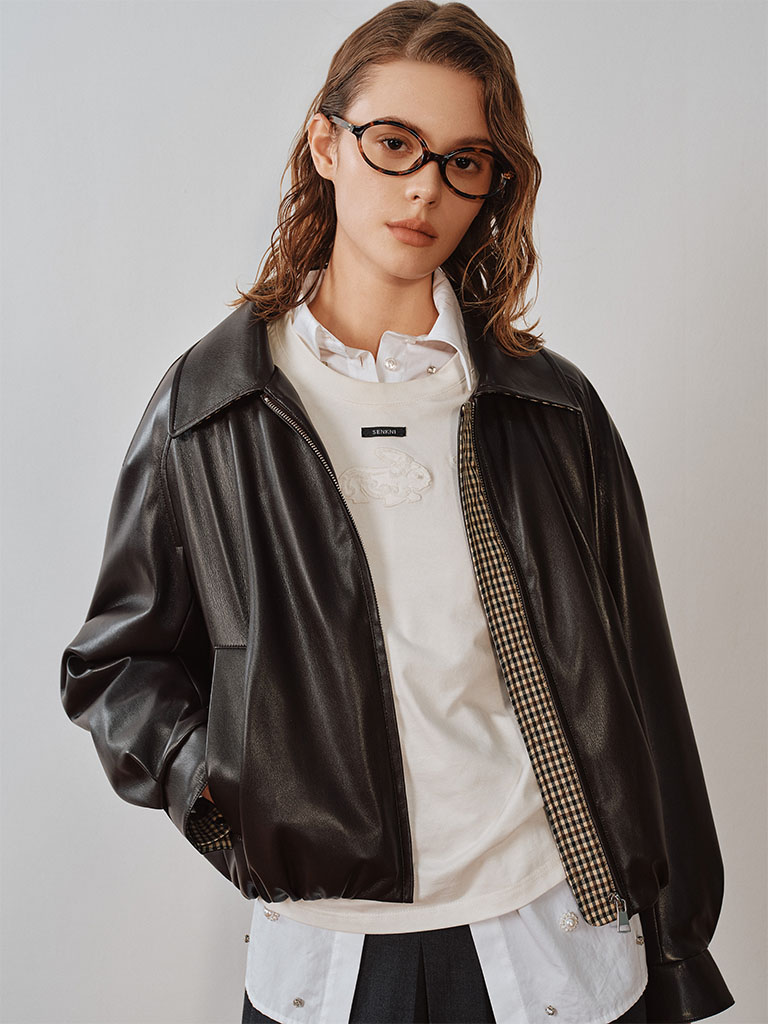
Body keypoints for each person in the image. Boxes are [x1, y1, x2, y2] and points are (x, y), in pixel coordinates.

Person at [59, 3, 735, 1023]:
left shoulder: (550, 409)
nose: (424, 187)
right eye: (393, 143)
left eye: (464, 161)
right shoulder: (211, 406)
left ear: (491, 186)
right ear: (326, 145)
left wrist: (680, 933)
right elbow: (117, 662)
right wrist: (226, 796)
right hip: (325, 954)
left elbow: (639, 677)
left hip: (556, 935)